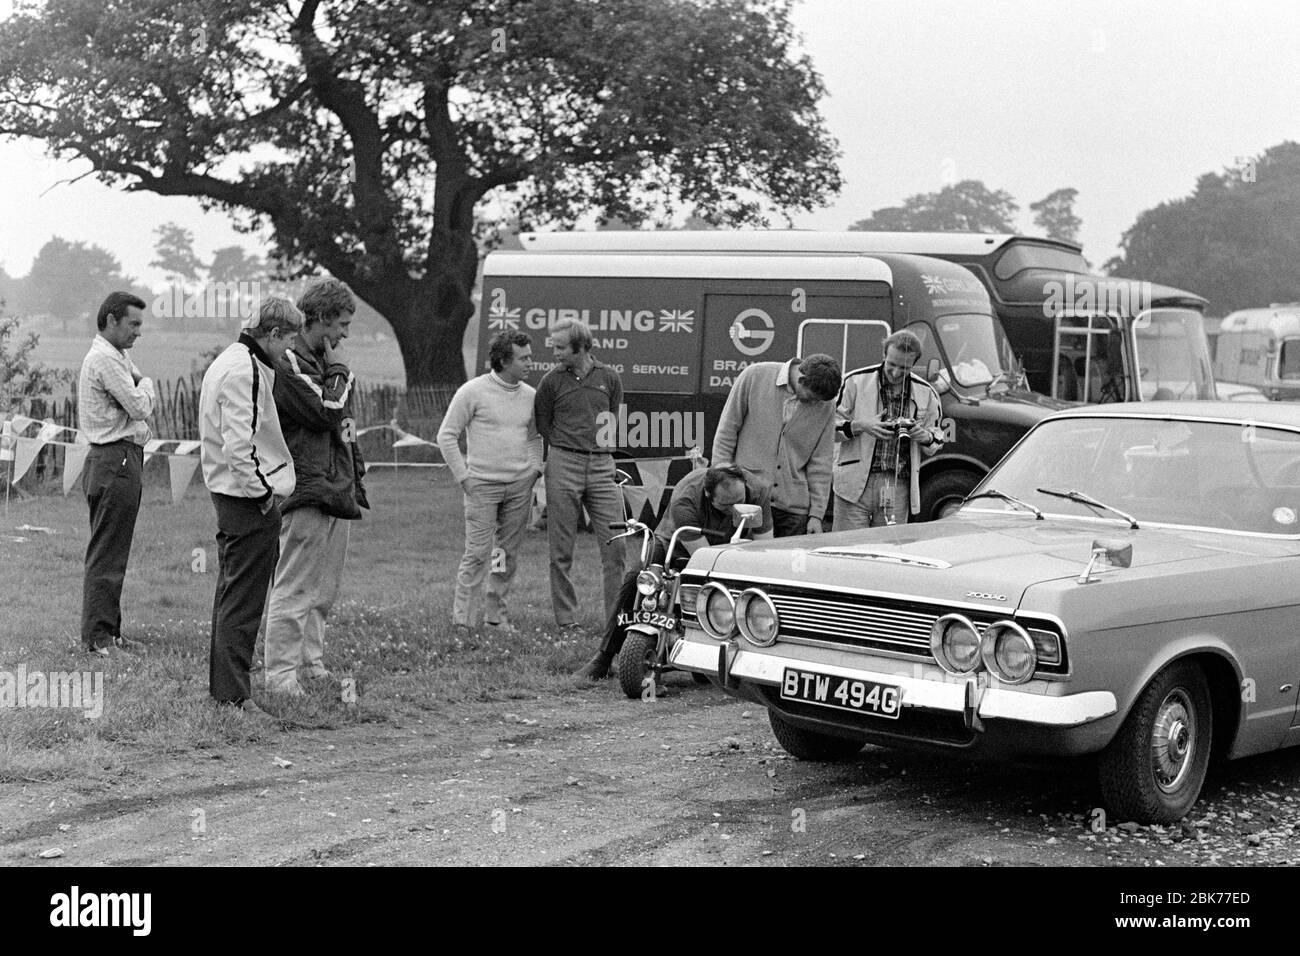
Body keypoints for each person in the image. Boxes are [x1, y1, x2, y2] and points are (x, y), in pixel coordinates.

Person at [263, 279, 369, 696]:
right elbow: (328, 410)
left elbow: (346, 426)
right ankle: (280, 675)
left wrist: (355, 472)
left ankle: (310, 661)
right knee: (294, 585)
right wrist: (341, 368)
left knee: (324, 589)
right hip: (306, 485)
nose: (344, 334)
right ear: (321, 318)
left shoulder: (326, 362)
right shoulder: (289, 362)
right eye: (341, 323)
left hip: (336, 484)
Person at [198, 296, 301, 718]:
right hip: (246, 499)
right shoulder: (246, 371)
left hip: (230, 494)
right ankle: (234, 696)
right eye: (288, 339)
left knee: (231, 595)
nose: (290, 349)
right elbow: (239, 447)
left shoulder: (232, 360)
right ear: (273, 334)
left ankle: (226, 690)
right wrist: (263, 497)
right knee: (244, 600)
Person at [574, 464, 773, 679]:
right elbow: (704, 559)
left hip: (734, 546)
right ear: (708, 494)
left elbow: (764, 548)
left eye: (740, 502)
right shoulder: (686, 498)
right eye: (727, 505)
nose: (736, 508)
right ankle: (603, 657)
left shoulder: (757, 490)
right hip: (677, 540)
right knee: (636, 578)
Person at [436, 330, 543, 632]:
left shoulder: (530, 396)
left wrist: (534, 469)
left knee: (504, 554)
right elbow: (446, 436)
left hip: (520, 487)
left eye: (529, 357)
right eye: (524, 358)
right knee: (478, 553)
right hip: (481, 486)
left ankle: (496, 617)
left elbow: (534, 437)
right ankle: (464, 621)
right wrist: (464, 478)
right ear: (504, 360)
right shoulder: (472, 392)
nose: (530, 363)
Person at [533, 318, 626, 629]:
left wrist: (600, 453)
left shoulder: (610, 378)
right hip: (563, 464)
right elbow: (543, 424)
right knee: (561, 549)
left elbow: (612, 418)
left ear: (582, 347)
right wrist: (565, 448)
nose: (555, 353)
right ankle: (567, 620)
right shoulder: (550, 382)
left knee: (617, 546)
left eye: (561, 348)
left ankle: (615, 619)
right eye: (554, 347)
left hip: (602, 466)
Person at [77, 292, 156, 656]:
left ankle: (110, 631)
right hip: (116, 459)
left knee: (113, 550)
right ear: (110, 319)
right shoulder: (107, 360)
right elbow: (140, 407)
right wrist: (148, 382)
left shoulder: (116, 357)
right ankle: (99, 637)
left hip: (115, 459)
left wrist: (137, 378)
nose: (138, 332)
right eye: (133, 324)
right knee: (108, 552)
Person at [711, 353, 841, 537]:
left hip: (794, 508)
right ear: (802, 379)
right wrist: (720, 483)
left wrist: (817, 515)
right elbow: (727, 432)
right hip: (748, 499)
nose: (815, 403)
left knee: (787, 564)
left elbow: (821, 462)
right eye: (812, 397)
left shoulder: (826, 405)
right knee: (741, 560)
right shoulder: (754, 375)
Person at [833, 330, 945, 529]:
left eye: (903, 368)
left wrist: (923, 436)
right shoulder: (854, 381)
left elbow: (936, 439)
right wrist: (861, 425)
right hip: (854, 483)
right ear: (884, 355)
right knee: (847, 548)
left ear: (913, 364)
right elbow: (828, 429)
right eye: (891, 365)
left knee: (887, 550)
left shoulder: (926, 392)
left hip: (897, 485)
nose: (895, 373)